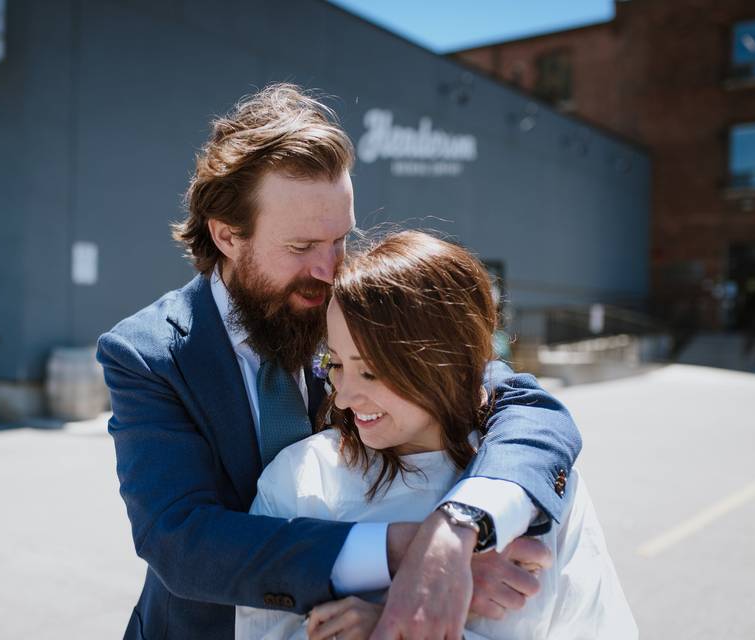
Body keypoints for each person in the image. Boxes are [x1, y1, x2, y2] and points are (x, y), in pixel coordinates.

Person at [96, 83, 582, 640]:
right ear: (228, 235)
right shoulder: (148, 354)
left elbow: (526, 407)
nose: (330, 272)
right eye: (302, 248)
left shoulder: (350, 307)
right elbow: (181, 543)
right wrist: (413, 552)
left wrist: (457, 529)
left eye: (340, 241)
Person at [236, 231, 637, 640]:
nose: (342, 399)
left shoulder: (534, 488)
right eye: (335, 364)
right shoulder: (299, 480)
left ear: (445, 363)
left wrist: (395, 627)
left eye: (371, 371)